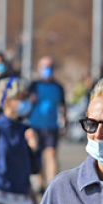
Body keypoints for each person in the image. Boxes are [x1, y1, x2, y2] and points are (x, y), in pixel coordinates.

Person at [27, 56, 67, 186]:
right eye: (44, 67)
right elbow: (26, 104)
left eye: (49, 67)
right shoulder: (34, 85)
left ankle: (53, 184)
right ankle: (40, 183)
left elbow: (63, 106)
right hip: (35, 125)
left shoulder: (58, 87)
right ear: (39, 69)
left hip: (52, 126)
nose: (47, 70)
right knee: (38, 156)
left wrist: (65, 124)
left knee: (51, 154)